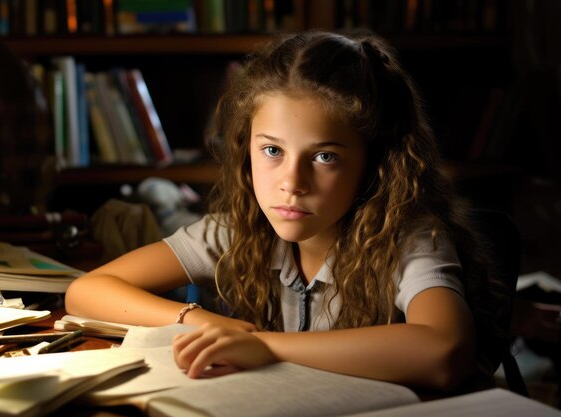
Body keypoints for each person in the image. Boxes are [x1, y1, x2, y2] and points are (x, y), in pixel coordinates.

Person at [65, 30, 508, 393]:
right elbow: (88, 291)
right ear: (246, 150)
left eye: (325, 157)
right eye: (272, 150)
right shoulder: (236, 231)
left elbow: (444, 351)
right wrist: (203, 321)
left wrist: (268, 347)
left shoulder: (410, 239)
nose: (292, 183)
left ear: (374, 164)